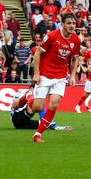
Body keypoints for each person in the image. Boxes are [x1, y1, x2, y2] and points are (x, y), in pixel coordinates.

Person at [31, 13, 81, 142]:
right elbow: (37, 53)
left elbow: (75, 59)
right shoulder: (52, 36)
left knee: (54, 104)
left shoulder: (76, 40)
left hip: (60, 76)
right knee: (37, 107)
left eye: (74, 23)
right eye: (69, 23)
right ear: (62, 24)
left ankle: (38, 134)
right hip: (45, 75)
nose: (72, 26)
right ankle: (28, 98)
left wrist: (73, 75)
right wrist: (36, 73)